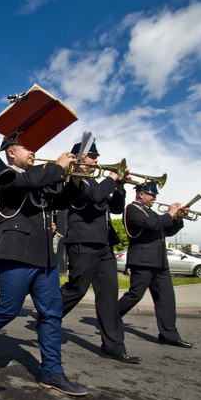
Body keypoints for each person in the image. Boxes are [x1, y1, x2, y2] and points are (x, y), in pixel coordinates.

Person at [0, 139, 87, 398]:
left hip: (44, 256)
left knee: (52, 313)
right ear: (11, 152)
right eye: (28, 147)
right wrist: (58, 167)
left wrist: (74, 178)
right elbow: (26, 183)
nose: (34, 151)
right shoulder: (4, 174)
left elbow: (63, 200)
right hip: (16, 251)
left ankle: (52, 371)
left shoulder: (39, 177)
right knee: (7, 309)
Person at [59, 142, 141, 364]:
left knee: (108, 296)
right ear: (78, 157)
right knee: (76, 289)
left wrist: (121, 186)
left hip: (104, 244)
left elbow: (114, 208)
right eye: (92, 156)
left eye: (96, 157)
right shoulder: (72, 178)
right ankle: (48, 317)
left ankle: (113, 346)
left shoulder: (98, 181)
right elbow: (93, 197)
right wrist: (112, 178)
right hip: (83, 243)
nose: (96, 160)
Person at [117, 182, 193, 348]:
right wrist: (169, 213)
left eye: (155, 195)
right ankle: (109, 318)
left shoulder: (151, 212)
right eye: (151, 194)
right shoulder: (132, 210)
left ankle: (169, 335)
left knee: (166, 299)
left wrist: (177, 217)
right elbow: (151, 224)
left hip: (159, 261)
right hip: (143, 260)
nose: (155, 198)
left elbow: (167, 230)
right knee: (135, 295)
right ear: (140, 194)